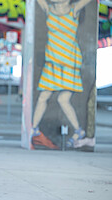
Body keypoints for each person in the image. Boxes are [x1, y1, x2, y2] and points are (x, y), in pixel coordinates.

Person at [33, 0, 93, 149]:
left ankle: (78, 131)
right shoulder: (49, 9)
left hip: (69, 62)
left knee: (63, 99)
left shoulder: (74, 9)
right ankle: (33, 129)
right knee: (46, 97)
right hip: (52, 62)